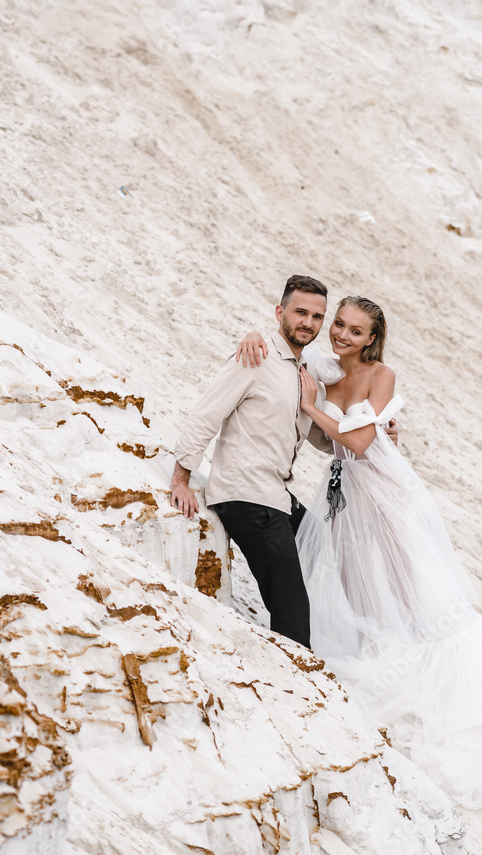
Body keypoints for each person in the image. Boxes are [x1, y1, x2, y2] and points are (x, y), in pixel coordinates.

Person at [237, 295, 482, 810]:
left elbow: (360, 443)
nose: (341, 335)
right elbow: (289, 355)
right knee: (357, 584)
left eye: (355, 331)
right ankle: (383, 662)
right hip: (344, 495)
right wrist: (253, 337)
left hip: (384, 490)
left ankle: (436, 685)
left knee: (409, 586)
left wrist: (314, 408)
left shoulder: (382, 374)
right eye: (339, 324)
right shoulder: (325, 370)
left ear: (372, 338)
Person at [170, 275, 399, 649]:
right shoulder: (255, 358)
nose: (308, 322)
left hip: (276, 495)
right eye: (300, 312)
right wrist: (181, 478)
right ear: (280, 312)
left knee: (323, 550)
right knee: (292, 609)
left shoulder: (304, 369)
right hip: (247, 497)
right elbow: (205, 415)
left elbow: (322, 439)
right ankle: (296, 664)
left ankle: (343, 643)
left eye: (317, 316)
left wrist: (376, 441)